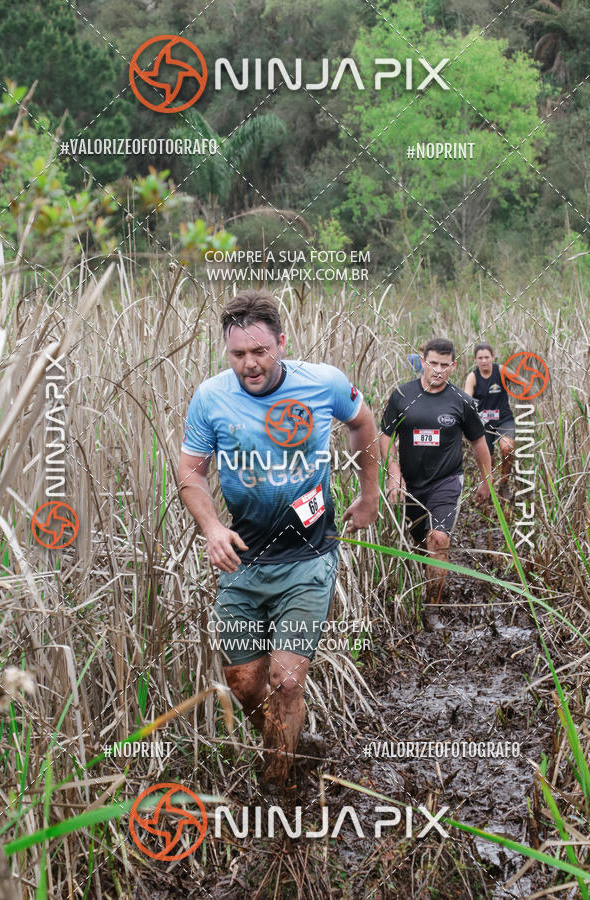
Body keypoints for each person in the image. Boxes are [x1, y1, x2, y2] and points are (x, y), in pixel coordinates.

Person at [177, 289, 379, 789]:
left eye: (259, 351)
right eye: (238, 353)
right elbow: (190, 473)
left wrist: (369, 492)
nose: (250, 363)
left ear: (281, 344)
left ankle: (279, 789)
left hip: (308, 557)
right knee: (245, 683)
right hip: (242, 562)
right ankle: (288, 740)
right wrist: (212, 527)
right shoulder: (211, 398)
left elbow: (364, 422)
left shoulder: (323, 384)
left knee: (287, 681)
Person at [380, 337, 492, 607]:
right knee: (419, 544)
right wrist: (394, 472)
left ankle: (433, 606)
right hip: (411, 483)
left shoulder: (461, 401)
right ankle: (419, 589)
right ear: (422, 362)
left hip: (447, 481)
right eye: (433, 363)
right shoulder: (402, 395)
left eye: (444, 364)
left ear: (453, 366)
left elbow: (479, 442)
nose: (438, 369)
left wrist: (487, 482)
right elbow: (385, 436)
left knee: (438, 540)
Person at [464, 342, 515, 497]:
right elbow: (466, 399)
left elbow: (522, 384)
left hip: (504, 419)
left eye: (487, 357)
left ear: (493, 357)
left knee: (507, 448)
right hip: (483, 423)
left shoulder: (501, 370)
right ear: (475, 359)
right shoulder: (472, 377)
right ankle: (488, 488)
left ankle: (504, 484)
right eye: (480, 358)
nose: (484, 361)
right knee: (489, 460)